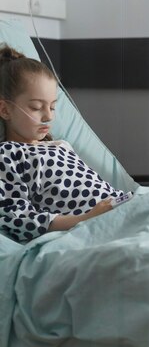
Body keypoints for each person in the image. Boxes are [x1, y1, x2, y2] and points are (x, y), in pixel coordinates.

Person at [0, 44, 126, 242]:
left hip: (125, 206)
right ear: (5, 110)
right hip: (97, 226)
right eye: (36, 107)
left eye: (52, 106)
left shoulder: (61, 146)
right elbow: (17, 219)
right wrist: (86, 219)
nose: (48, 116)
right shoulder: (8, 155)